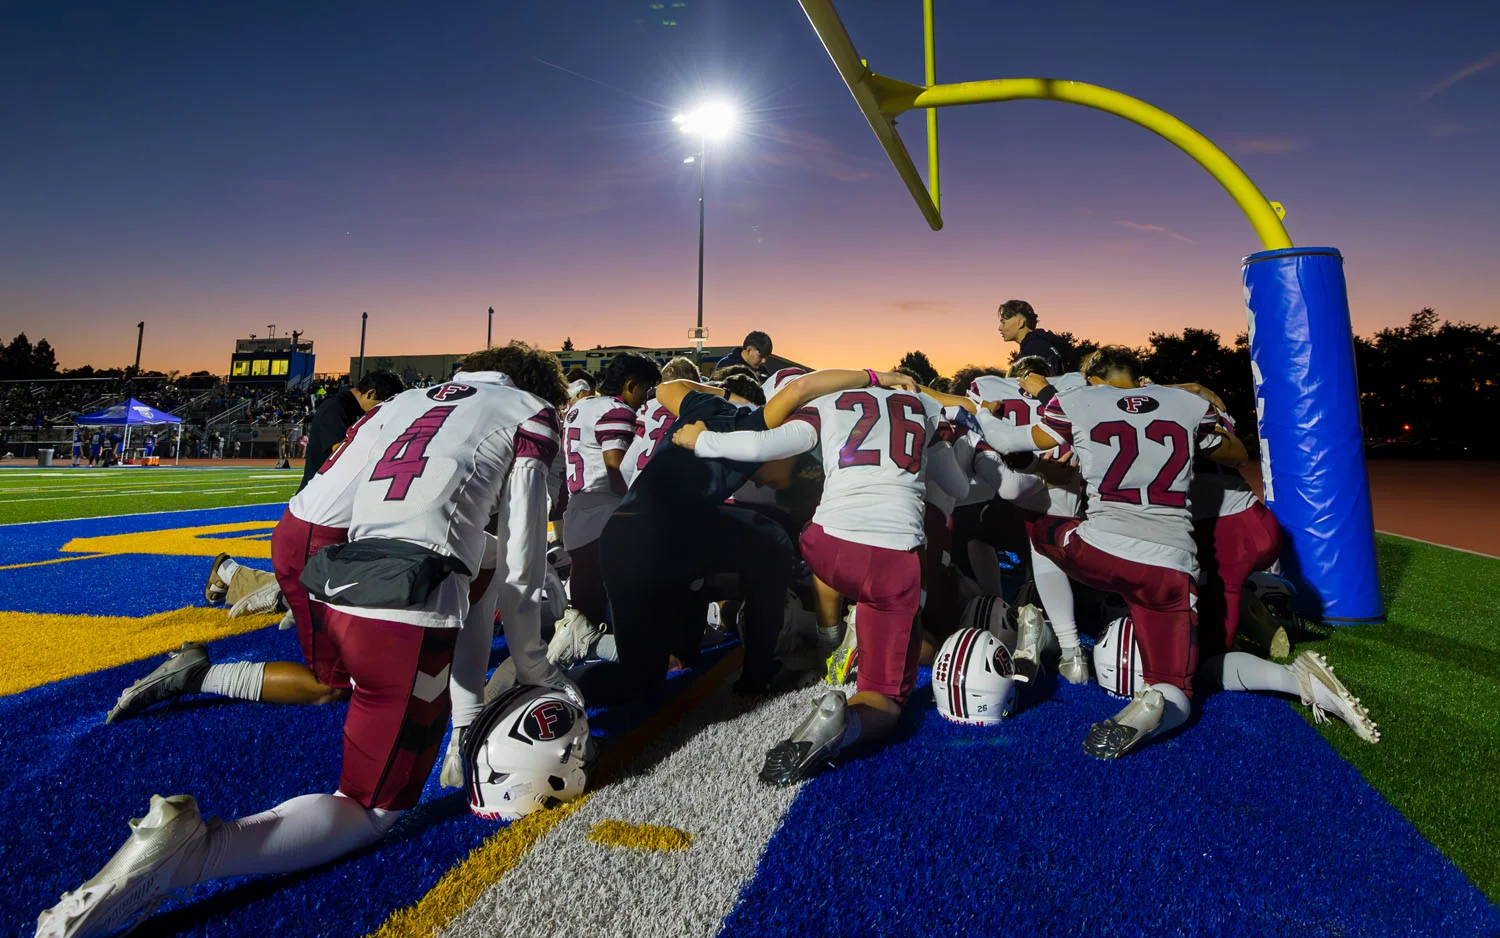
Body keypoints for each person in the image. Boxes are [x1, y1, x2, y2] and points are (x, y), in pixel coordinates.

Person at [37, 342, 573, 938]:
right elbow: (523, 572)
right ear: (538, 388)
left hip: (336, 572)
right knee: (370, 812)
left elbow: (346, 500)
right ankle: (192, 855)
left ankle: (459, 731)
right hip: (407, 601)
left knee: (471, 573)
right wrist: (533, 667)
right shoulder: (529, 410)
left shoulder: (405, 402)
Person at [675, 374, 965, 784]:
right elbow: (959, 487)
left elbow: (761, 444)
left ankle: (834, 630)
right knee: (886, 697)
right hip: (893, 560)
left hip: (827, 547)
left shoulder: (832, 402)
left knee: (849, 558)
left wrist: (700, 441)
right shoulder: (925, 408)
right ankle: (844, 722)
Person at [560, 352, 661, 627]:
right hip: (605, 518)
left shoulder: (581, 406)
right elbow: (616, 468)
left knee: (586, 610)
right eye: (646, 389)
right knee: (623, 610)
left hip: (579, 512)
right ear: (630, 384)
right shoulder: (616, 410)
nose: (647, 398)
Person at [298, 370, 403, 492]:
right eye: (381, 406)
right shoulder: (335, 408)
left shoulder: (351, 408)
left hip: (329, 493)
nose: (382, 411)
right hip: (318, 498)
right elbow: (343, 454)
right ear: (370, 394)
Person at [996, 299, 1068, 373]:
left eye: (1003, 322)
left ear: (1020, 323)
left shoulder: (1033, 350)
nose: (999, 328)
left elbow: (1034, 383)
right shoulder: (1040, 343)